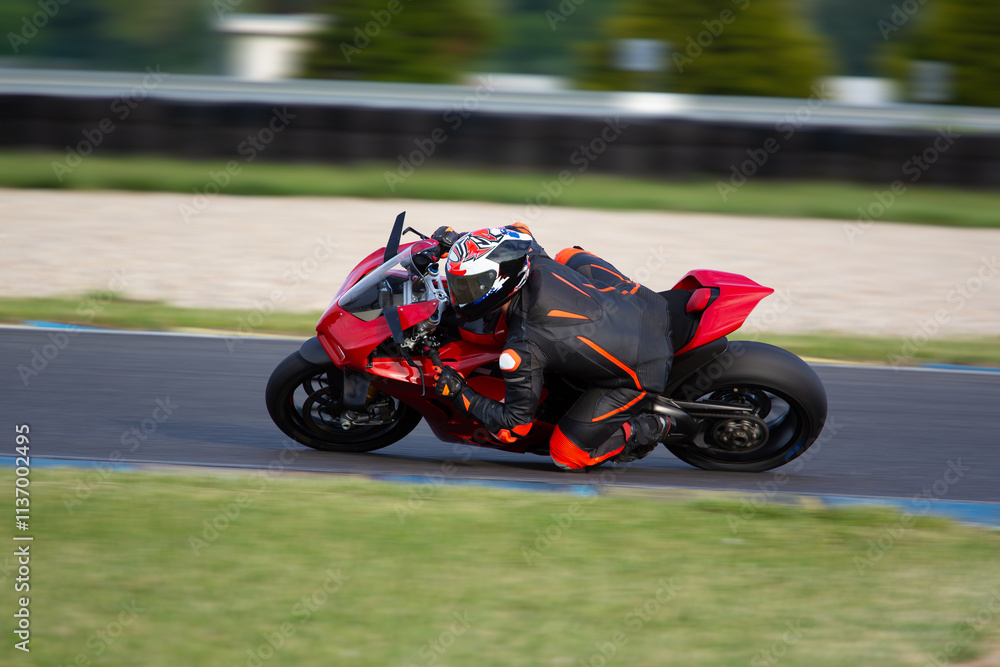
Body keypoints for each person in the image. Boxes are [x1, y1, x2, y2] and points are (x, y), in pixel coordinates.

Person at [430, 224, 674, 470]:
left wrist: (459, 394)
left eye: (469, 286)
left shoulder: (522, 346)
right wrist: (461, 243)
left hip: (644, 366)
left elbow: (515, 424)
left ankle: (647, 428)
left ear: (499, 282)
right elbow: (518, 230)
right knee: (567, 256)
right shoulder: (530, 257)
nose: (459, 294)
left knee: (565, 455)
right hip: (645, 302)